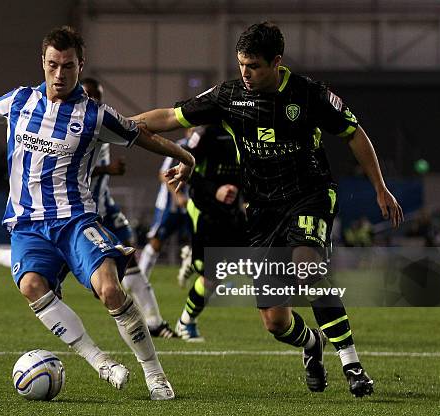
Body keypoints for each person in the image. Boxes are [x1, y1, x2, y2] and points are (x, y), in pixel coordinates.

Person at [0, 26, 195, 400]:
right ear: (43, 63)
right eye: (53, 65)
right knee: (32, 286)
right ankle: (100, 362)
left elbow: (142, 135)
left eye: (68, 66)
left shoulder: (96, 115)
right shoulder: (19, 101)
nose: (60, 75)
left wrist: (185, 157)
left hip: (76, 220)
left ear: (81, 65)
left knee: (111, 289)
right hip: (28, 225)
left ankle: (154, 373)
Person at [132, 22, 404, 397]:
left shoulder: (309, 94)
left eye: (254, 65)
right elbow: (170, 117)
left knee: (307, 265)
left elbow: (354, 133)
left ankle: (352, 364)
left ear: (277, 62)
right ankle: (312, 344)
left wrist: (380, 188)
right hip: (261, 210)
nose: (245, 72)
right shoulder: (229, 96)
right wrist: (121, 125)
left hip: (310, 194)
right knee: (275, 322)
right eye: (241, 64)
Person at [0, 77, 177, 339]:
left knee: (130, 266)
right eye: (91, 94)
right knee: (50, 272)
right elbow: (64, 167)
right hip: (70, 216)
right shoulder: (61, 124)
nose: (93, 100)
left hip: (104, 208)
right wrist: (107, 169)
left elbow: (137, 126)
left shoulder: (97, 120)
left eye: (98, 96)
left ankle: (155, 322)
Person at [173, 125, 247, 342]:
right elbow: (186, 171)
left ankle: (192, 261)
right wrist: (216, 189)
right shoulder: (206, 133)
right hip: (204, 210)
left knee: (251, 264)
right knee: (211, 276)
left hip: (232, 211)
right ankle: (185, 322)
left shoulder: (247, 125)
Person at [138, 135, 193, 281]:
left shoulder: (207, 145)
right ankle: (141, 278)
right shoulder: (180, 146)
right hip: (170, 206)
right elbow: (164, 174)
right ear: (188, 131)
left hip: (192, 204)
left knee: (201, 239)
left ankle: (205, 279)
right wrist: (178, 196)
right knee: (157, 240)